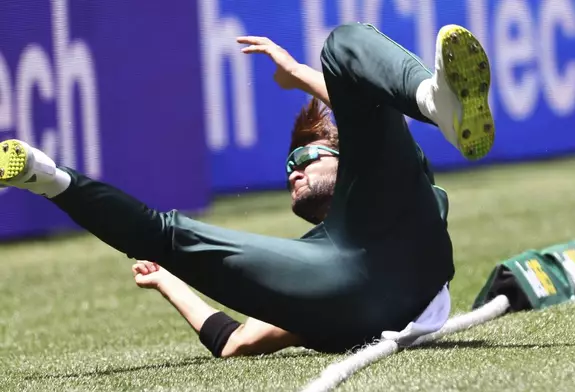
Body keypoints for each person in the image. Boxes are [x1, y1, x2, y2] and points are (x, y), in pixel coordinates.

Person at [0, 22, 494, 357]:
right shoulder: (307, 270)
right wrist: (169, 279)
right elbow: (234, 342)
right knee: (168, 235)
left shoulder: (394, 175)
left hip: (413, 255)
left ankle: (436, 101)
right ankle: (48, 178)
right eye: (286, 169)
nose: (293, 172)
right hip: (350, 288)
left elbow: (356, 96)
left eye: (304, 157)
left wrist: (299, 75)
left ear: (344, 156)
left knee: (343, 43)